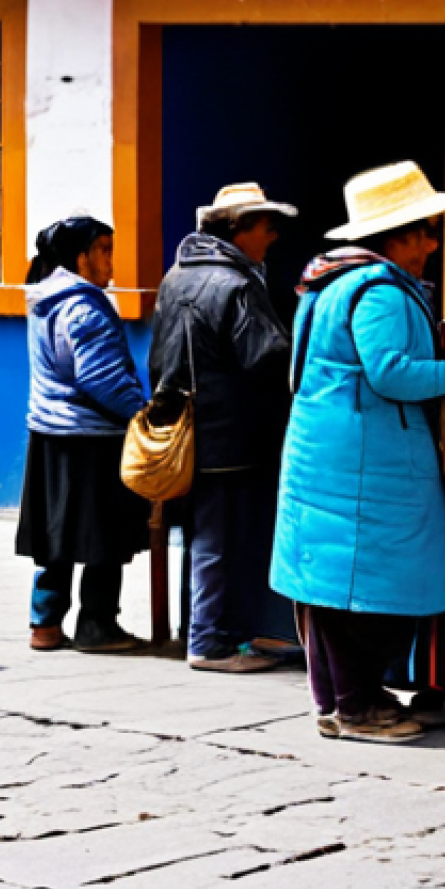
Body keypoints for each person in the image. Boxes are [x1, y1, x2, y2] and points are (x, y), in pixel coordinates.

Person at [270, 161, 445, 743]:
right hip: (367, 460)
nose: (432, 244)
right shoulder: (381, 293)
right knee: (377, 591)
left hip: (331, 449)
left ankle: (343, 702)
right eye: (424, 232)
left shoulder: (330, 283)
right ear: (397, 235)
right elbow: (390, 373)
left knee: (336, 591)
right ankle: (359, 709)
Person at [149, 183, 297, 673]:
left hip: (194, 426)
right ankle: (211, 641)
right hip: (232, 429)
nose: (273, 235)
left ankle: (214, 631)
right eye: (264, 225)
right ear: (237, 229)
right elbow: (266, 356)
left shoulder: (178, 276)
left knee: (207, 535)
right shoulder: (234, 284)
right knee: (220, 537)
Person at [16, 215, 149, 654]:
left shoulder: (45, 300)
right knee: (102, 537)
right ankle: (97, 624)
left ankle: (46, 623)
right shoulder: (83, 306)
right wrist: (141, 411)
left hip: (51, 433)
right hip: (91, 438)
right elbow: (100, 376)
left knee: (56, 536)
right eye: (105, 250)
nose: (111, 261)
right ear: (81, 257)